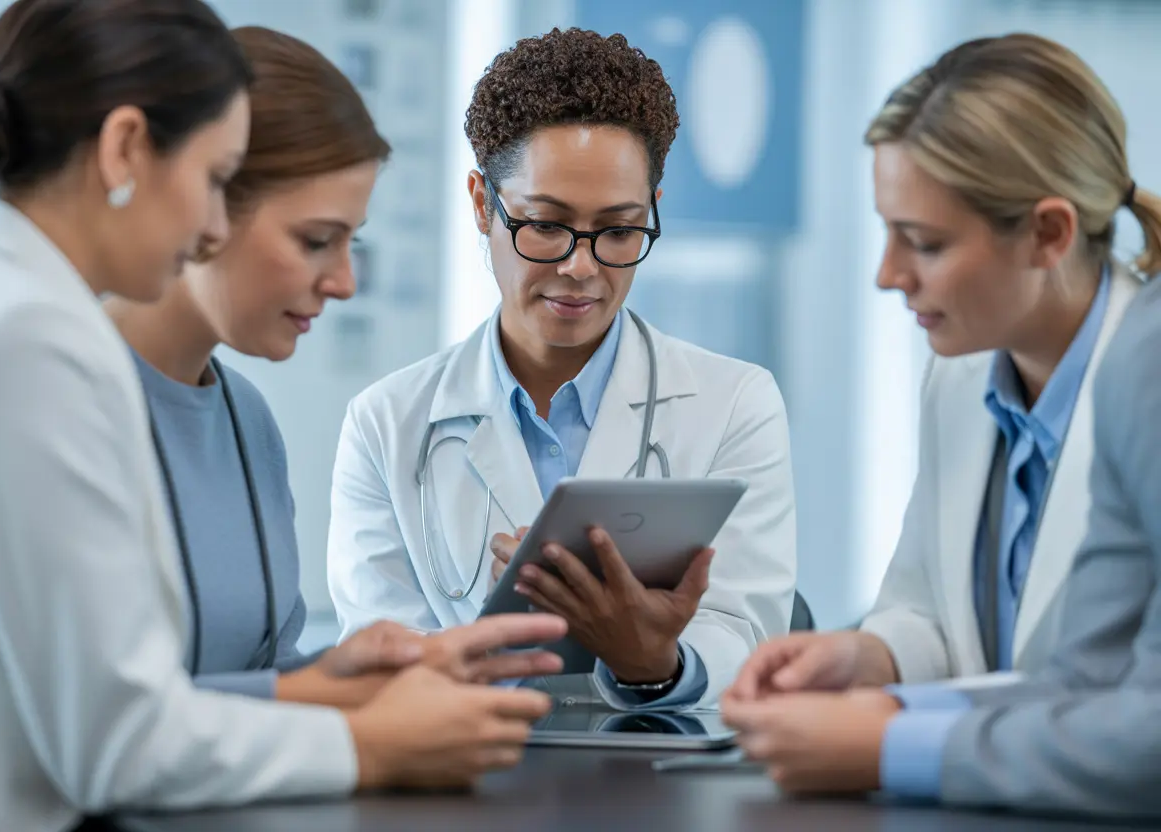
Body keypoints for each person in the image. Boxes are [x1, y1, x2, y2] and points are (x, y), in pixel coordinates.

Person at [0, 3, 559, 830]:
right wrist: (371, 743)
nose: (211, 225)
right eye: (215, 180)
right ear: (124, 150)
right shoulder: (26, 340)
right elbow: (120, 739)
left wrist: (336, 682)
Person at [720, 33, 1161, 814]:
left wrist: (885, 739)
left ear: (1050, 234)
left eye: (923, 242)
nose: (887, 274)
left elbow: (1116, 705)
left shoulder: (1143, 377)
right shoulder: (959, 373)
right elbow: (933, 608)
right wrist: (871, 660)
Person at [326, 26, 798, 710]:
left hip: (658, 789)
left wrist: (650, 659)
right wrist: (506, 641)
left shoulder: (734, 403)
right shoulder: (386, 424)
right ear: (484, 204)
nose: (581, 268)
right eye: (546, 225)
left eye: (617, 231)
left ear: (651, 215)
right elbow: (379, 659)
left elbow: (746, 636)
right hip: (463, 786)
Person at [105, 26, 561, 705]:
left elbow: (263, 673)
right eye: (317, 240)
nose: (345, 282)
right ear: (203, 198)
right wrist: (343, 712)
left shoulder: (246, 421)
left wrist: (386, 675)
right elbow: (96, 723)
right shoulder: (58, 395)